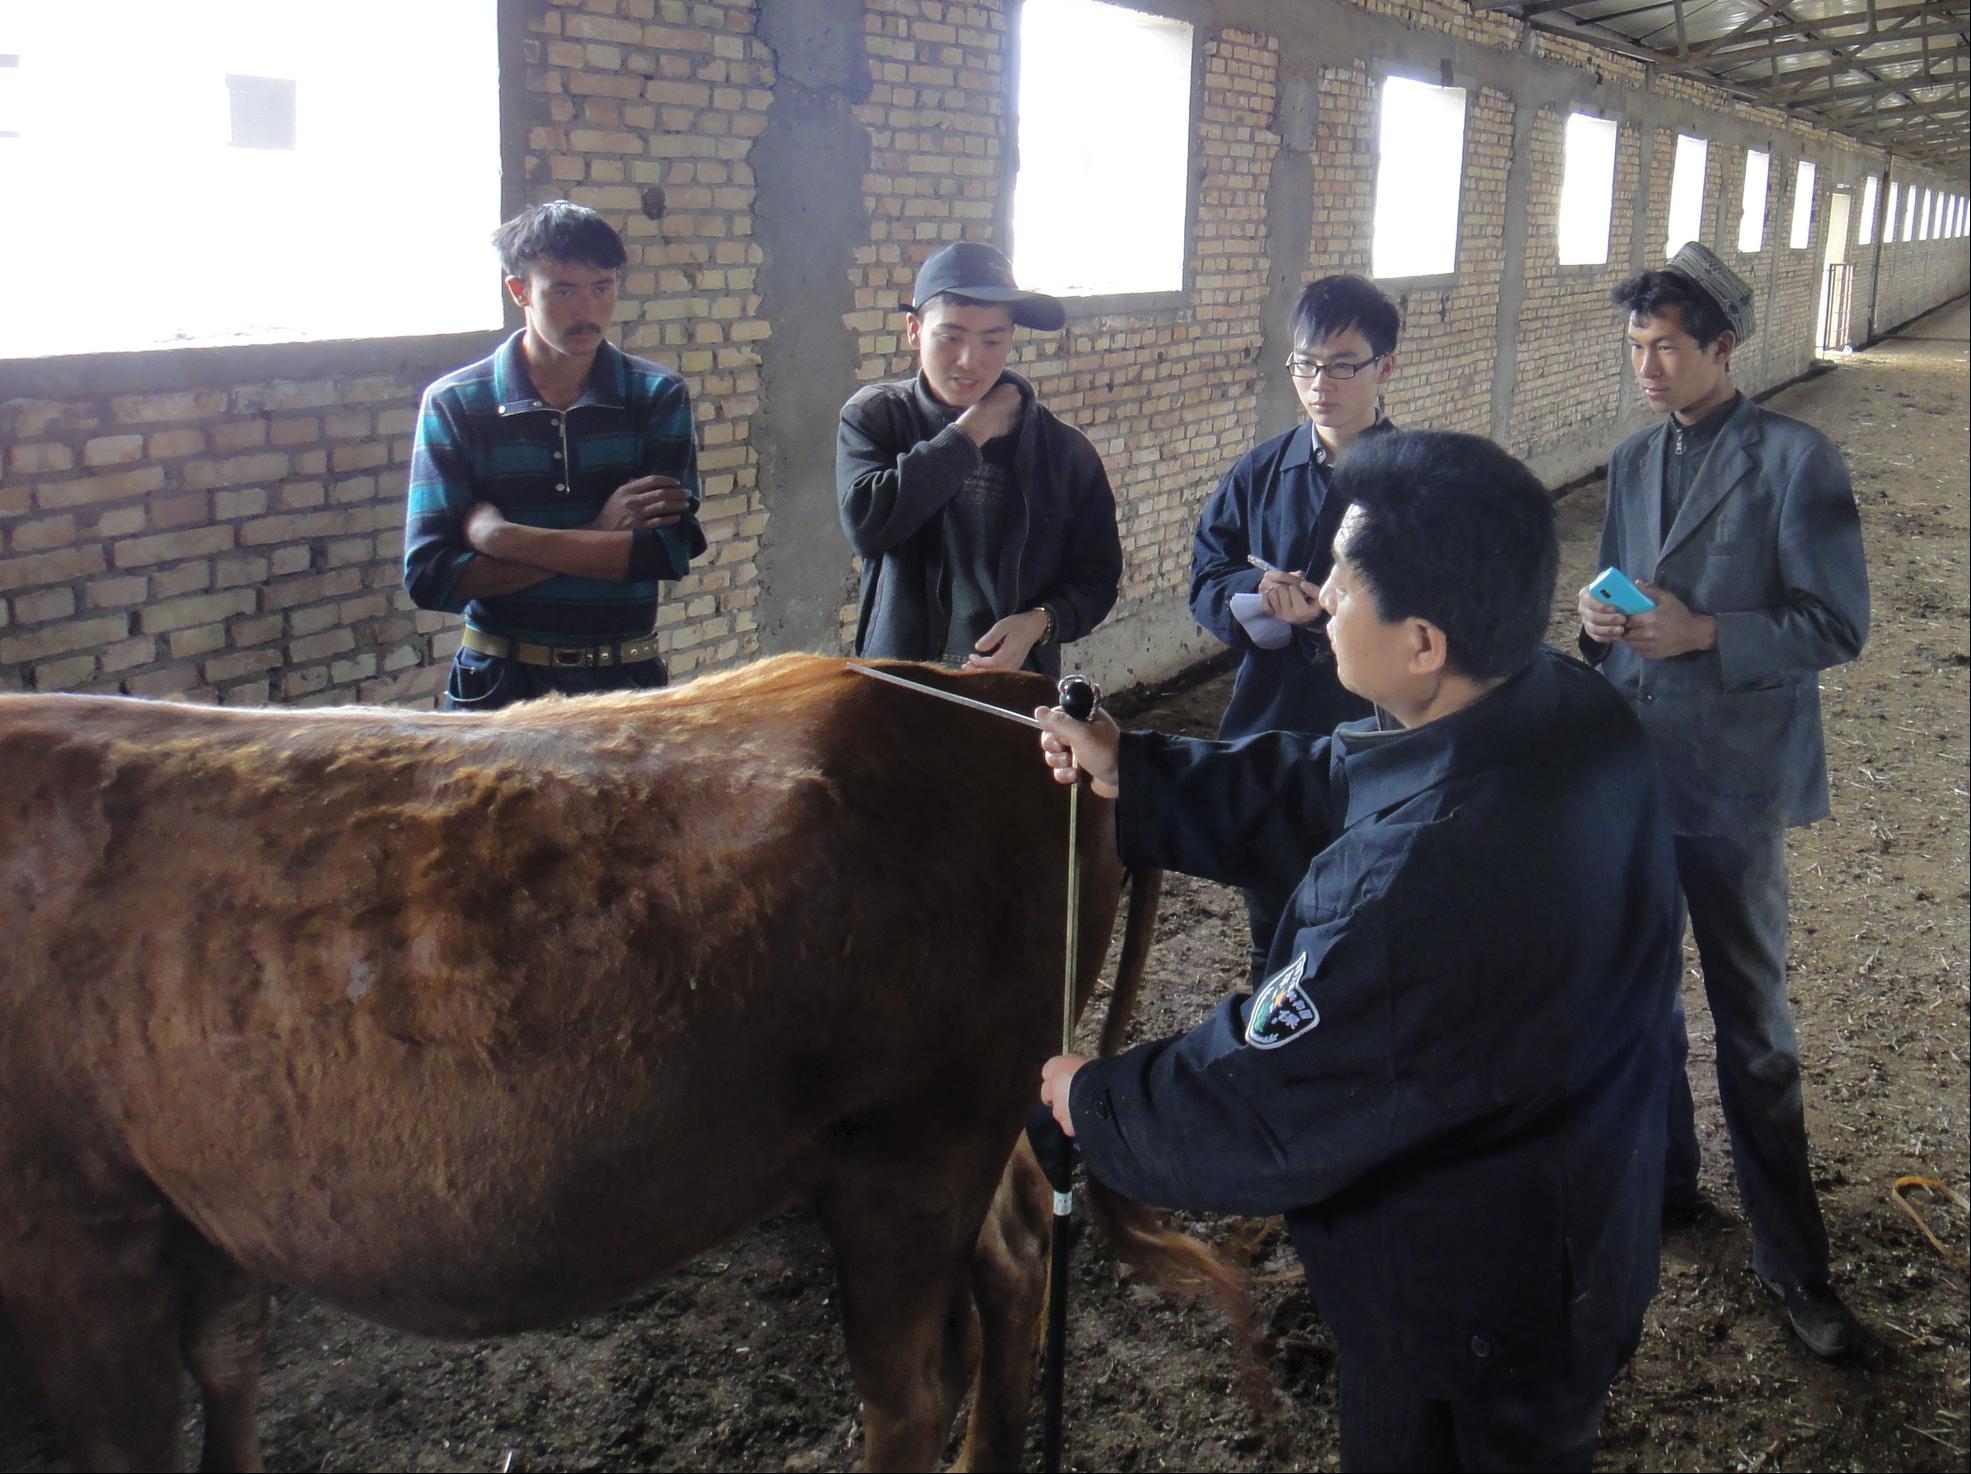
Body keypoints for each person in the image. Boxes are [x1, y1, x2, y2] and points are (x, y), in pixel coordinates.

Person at [1035, 431, 1681, 1472]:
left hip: (1463, 1302)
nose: (1323, 593)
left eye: (1345, 579)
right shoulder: (1564, 705)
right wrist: (1139, 770)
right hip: (1574, 1215)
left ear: (1422, 641)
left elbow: (1265, 1101)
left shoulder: (1416, 890)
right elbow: (1341, 779)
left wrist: (1095, 1102)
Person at [1578, 242, 1869, 1360]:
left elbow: (1837, 623)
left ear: (1723, 349)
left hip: (1736, 784)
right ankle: (1668, 1185)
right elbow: (1610, 587)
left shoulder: (1797, 461)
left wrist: (1708, 630)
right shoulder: (1633, 460)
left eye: (1666, 347)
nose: (1647, 366)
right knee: (1640, 1002)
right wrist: (1598, 628)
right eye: (1636, 347)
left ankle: (1796, 1264)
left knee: (1754, 1030)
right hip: (1637, 775)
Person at [404, 200, 706, 710]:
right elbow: (432, 579)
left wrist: (501, 538)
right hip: (497, 684)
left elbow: (665, 553)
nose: (586, 311)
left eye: (601, 288)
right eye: (563, 290)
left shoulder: (656, 395)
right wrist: (599, 533)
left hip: (624, 680)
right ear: (519, 291)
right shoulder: (456, 403)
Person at [1189, 274, 1398, 984]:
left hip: (1376, 731)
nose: (1320, 383)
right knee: (1270, 931)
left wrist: (1350, 611)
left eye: (1342, 365)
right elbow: (1206, 575)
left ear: (1383, 368)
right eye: (1305, 365)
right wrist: (1255, 589)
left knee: (1364, 931)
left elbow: (1450, 610)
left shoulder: (1418, 481)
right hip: (1271, 721)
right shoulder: (1261, 470)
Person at [836, 241, 1121, 677]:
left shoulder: (1064, 451)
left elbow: (1097, 577)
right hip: (899, 683)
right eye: (950, 337)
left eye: (992, 341)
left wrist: (1040, 622)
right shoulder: (878, 417)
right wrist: (974, 429)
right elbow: (869, 527)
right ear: (914, 330)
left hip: (1014, 689)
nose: (970, 362)